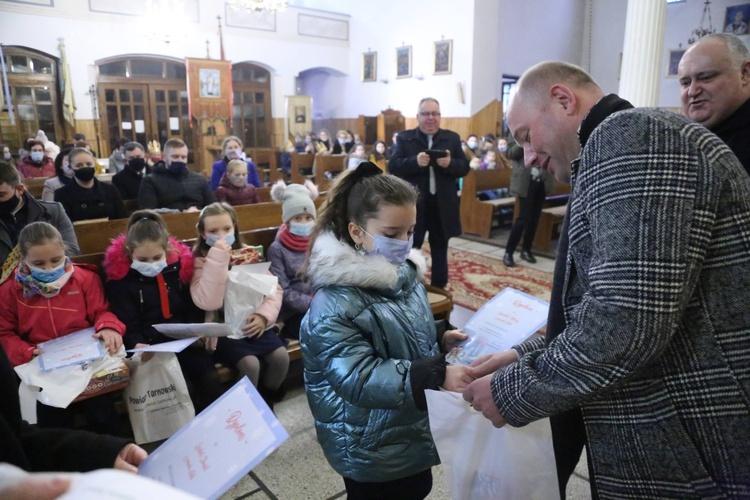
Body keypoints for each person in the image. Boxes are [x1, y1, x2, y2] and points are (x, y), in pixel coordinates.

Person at [463, 61, 750, 498]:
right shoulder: (617, 144)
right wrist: (526, 352)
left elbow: (627, 318)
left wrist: (513, 389)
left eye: (525, 137)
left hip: (689, 434)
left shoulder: (633, 136)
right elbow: (619, 299)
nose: (530, 158)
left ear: (563, 100)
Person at [300, 162, 472, 499]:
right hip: (368, 437)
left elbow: (399, 324)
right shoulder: (335, 300)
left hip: (405, 423)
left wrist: (440, 335)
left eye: (410, 232)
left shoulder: (401, 273)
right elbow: (358, 376)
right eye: (392, 234)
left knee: (417, 487)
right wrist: (435, 375)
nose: (405, 243)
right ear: (356, 232)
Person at [0, 222, 125, 432]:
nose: (49, 268)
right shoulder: (10, 290)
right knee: (54, 425)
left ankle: (113, 459)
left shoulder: (85, 278)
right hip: (42, 366)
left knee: (103, 417)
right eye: (38, 263)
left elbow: (101, 311)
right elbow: (4, 333)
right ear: (23, 259)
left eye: (55, 260)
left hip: (86, 364)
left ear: (64, 251)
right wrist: (24, 352)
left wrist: (109, 327)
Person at [103, 210, 223, 412]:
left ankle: (210, 428)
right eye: (142, 259)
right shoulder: (121, 280)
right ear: (129, 252)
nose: (151, 264)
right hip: (150, 346)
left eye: (157, 257)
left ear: (167, 250)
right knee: (183, 388)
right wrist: (137, 344)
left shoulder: (177, 269)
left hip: (182, 340)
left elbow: (190, 305)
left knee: (210, 378)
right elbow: (128, 323)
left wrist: (196, 330)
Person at [0, 345, 147, 485]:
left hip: (87, 367)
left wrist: (106, 452)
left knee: (102, 414)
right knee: (54, 417)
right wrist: (27, 351)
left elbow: (13, 438)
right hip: (46, 375)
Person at [190, 202, 288, 410]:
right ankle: (243, 410)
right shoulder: (200, 262)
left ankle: (265, 403)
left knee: (281, 358)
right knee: (250, 365)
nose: (222, 235)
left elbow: (273, 290)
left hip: (252, 322)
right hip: (224, 330)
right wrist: (217, 259)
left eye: (227, 229)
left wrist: (263, 316)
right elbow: (208, 301)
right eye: (213, 231)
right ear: (202, 233)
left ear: (235, 226)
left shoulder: (247, 254)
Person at [389, 97, 470, 289]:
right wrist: (414, 162)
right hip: (414, 206)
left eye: (435, 113)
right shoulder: (404, 138)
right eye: (426, 113)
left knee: (440, 248)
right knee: (411, 248)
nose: (430, 118)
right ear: (418, 117)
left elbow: (464, 168)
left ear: (440, 116)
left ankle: (439, 290)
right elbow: (393, 166)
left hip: (443, 204)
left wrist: (451, 164)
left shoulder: (451, 138)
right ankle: (409, 287)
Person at [678, 33, 750, 174]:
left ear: (745, 74)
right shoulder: (678, 141)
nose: (692, 91)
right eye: (685, 83)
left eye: (705, 78)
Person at [0, 164, 79, 274]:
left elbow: (72, 251)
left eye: (1, 195)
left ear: (20, 189)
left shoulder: (53, 211)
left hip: (52, 274)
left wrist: (41, 269)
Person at [267, 180, 317, 340]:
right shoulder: (277, 249)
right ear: (287, 222)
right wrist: (314, 304)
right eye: (298, 218)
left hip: (322, 304)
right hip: (293, 313)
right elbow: (284, 291)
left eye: (308, 217)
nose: (304, 223)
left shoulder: (318, 241)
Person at [502, 135, 555, 267]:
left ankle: (526, 249)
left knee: (534, 218)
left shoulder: (544, 128)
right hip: (525, 181)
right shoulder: (518, 129)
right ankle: (509, 252)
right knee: (523, 218)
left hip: (542, 180)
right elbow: (510, 153)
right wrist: (526, 142)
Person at [138, 139, 216, 212]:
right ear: (164, 157)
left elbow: (213, 206)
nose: (180, 160)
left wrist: (199, 212)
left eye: (183, 157)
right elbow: (148, 212)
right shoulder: (150, 181)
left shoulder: (199, 179)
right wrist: (179, 213)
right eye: (175, 157)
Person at [54, 148, 126, 223]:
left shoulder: (110, 190)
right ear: (71, 168)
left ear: (94, 165)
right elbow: (63, 225)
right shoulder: (62, 194)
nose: (85, 167)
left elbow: (122, 218)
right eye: (79, 165)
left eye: (89, 164)